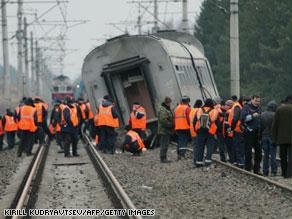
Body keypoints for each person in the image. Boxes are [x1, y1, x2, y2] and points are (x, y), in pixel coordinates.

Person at [194, 98, 218, 167]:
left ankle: (199, 162)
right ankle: (208, 162)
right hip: (210, 132)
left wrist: (196, 130)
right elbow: (218, 123)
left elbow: (194, 121)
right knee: (210, 147)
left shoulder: (199, 110)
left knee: (200, 147)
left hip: (200, 131)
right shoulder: (214, 111)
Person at [272, 95, 292, 178]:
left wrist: (274, 139)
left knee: (283, 156)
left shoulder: (279, 109)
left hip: (281, 138)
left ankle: (284, 173)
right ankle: (290, 173)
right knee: (291, 156)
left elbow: (274, 125)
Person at [241, 95, 262, 174]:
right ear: (252, 100)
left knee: (259, 152)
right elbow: (243, 119)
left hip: (258, 132)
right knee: (248, 151)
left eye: (259, 101)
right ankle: (248, 168)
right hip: (249, 132)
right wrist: (252, 116)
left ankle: (257, 169)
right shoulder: (246, 107)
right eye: (256, 101)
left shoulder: (259, 108)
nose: (257, 103)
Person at [261, 100, 278, 176]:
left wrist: (259, 137)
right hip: (272, 137)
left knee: (266, 155)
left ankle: (265, 171)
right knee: (273, 155)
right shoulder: (275, 115)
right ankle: (274, 171)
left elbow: (260, 127)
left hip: (264, 136)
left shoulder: (262, 114)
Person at [228, 96, 245, 168]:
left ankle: (236, 161)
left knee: (236, 145)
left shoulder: (236, 106)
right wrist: (232, 128)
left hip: (236, 129)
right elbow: (235, 119)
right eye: (244, 101)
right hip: (238, 129)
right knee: (239, 146)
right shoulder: (238, 107)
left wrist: (231, 128)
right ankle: (240, 162)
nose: (245, 103)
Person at [174, 96, 191, 160]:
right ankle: (182, 155)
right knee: (184, 141)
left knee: (180, 141)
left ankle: (179, 154)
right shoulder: (187, 108)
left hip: (178, 127)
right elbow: (189, 118)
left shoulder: (177, 108)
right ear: (187, 101)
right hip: (185, 127)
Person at [158, 97, 174, 163]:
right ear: (167, 103)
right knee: (164, 144)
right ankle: (163, 158)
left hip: (165, 130)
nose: (170, 104)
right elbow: (163, 120)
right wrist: (170, 125)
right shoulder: (163, 110)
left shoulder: (165, 109)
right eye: (170, 103)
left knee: (165, 144)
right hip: (164, 130)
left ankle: (164, 158)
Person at [190, 99, 203, 164]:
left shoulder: (191, 110)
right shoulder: (198, 110)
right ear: (200, 105)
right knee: (199, 147)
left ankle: (195, 160)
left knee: (195, 146)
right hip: (197, 131)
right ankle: (197, 160)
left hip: (192, 130)